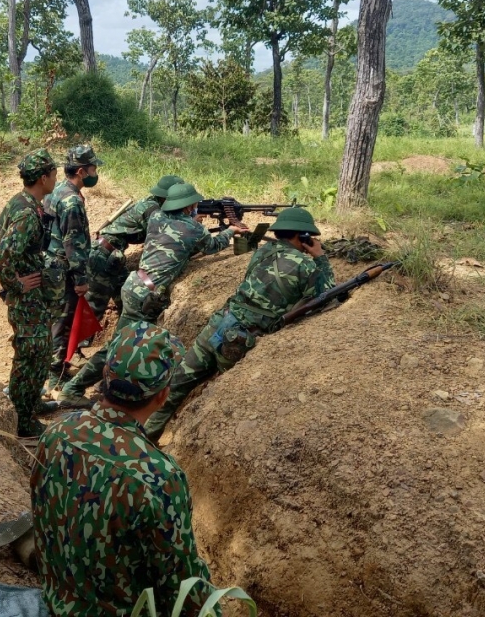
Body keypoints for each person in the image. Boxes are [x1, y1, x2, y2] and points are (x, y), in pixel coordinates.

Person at [31, 321, 215, 617]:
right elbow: (182, 584)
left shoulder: (57, 433)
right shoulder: (159, 477)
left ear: (105, 375)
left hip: (56, 601)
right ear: (162, 395)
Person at [145, 206, 334, 440]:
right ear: (302, 236)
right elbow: (327, 295)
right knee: (222, 396)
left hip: (220, 323)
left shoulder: (263, 252)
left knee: (176, 385)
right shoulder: (306, 266)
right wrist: (321, 258)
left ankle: (145, 435)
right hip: (240, 338)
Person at [55, 174, 184, 405]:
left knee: (129, 310)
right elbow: (164, 239)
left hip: (111, 258)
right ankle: (58, 369)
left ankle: (117, 366)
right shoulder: (153, 210)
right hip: (104, 260)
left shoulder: (150, 204)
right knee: (92, 314)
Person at [0, 148, 58, 438]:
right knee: (33, 354)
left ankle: (29, 404)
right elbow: (1, 256)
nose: (56, 179)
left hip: (29, 296)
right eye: (54, 175)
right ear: (43, 178)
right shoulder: (28, 213)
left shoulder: (20, 202)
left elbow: (0, 231)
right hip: (26, 299)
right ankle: (24, 419)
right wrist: (17, 285)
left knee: (36, 352)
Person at [116, 182, 246, 330]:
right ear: (189, 206)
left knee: (120, 339)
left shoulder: (156, 216)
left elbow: (175, 231)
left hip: (133, 284)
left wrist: (192, 219)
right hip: (147, 295)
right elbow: (213, 246)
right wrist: (231, 230)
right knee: (134, 344)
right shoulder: (193, 228)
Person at [42, 144, 101, 382]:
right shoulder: (71, 202)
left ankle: (51, 366)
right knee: (63, 321)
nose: (96, 173)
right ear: (81, 171)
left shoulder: (56, 191)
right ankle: (56, 374)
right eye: (93, 168)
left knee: (54, 318)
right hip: (63, 269)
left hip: (50, 264)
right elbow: (72, 244)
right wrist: (81, 279)